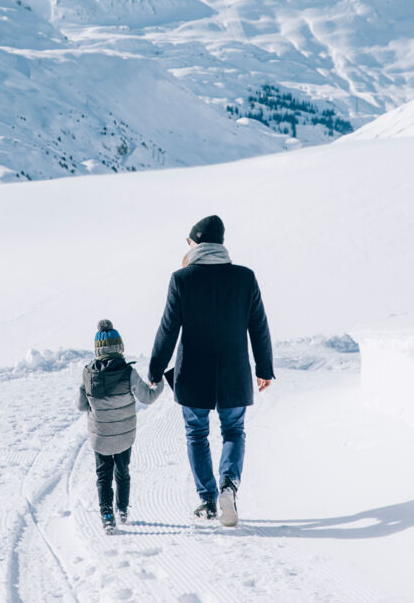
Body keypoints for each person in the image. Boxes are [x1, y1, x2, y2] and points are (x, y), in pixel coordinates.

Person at [148, 215, 274, 527]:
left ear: (197, 242)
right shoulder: (244, 277)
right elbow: (258, 326)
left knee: (196, 433)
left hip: (193, 372)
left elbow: (168, 329)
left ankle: (206, 499)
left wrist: (155, 367)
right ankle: (228, 487)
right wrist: (264, 368)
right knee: (233, 431)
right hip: (234, 372)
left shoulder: (182, 278)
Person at [78, 319, 163, 532]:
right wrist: (160, 383)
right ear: (120, 347)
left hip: (100, 436)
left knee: (103, 475)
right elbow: (148, 397)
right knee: (122, 471)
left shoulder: (88, 374)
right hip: (124, 437)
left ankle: (107, 515)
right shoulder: (128, 372)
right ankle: (122, 510)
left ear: (97, 350)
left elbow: (80, 405)